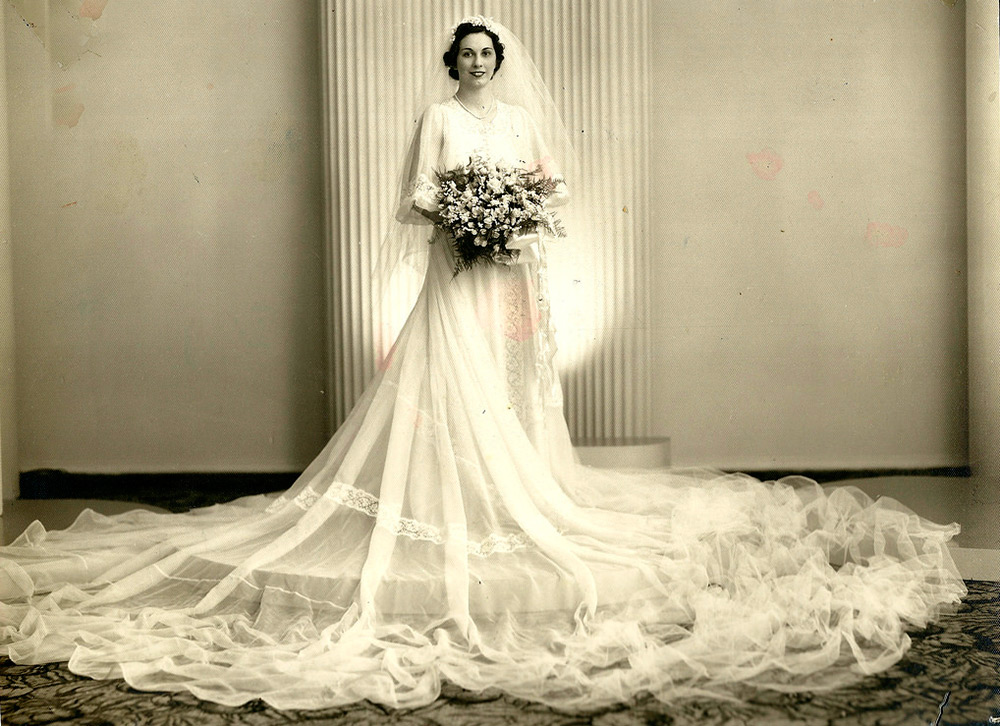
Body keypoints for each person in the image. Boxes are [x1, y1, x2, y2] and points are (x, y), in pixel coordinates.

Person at [0, 16, 966, 711]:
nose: (474, 64)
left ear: (499, 62)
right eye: (464, 55)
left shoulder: (510, 120)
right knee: (440, 389)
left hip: (506, 275)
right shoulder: (440, 118)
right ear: (449, 63)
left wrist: (513, 213)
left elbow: (553, 184)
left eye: (485, 55)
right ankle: (446, 500)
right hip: (454, 271)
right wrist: (465, 211)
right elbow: (416, 194)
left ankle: (510, 494)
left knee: (507, 393)